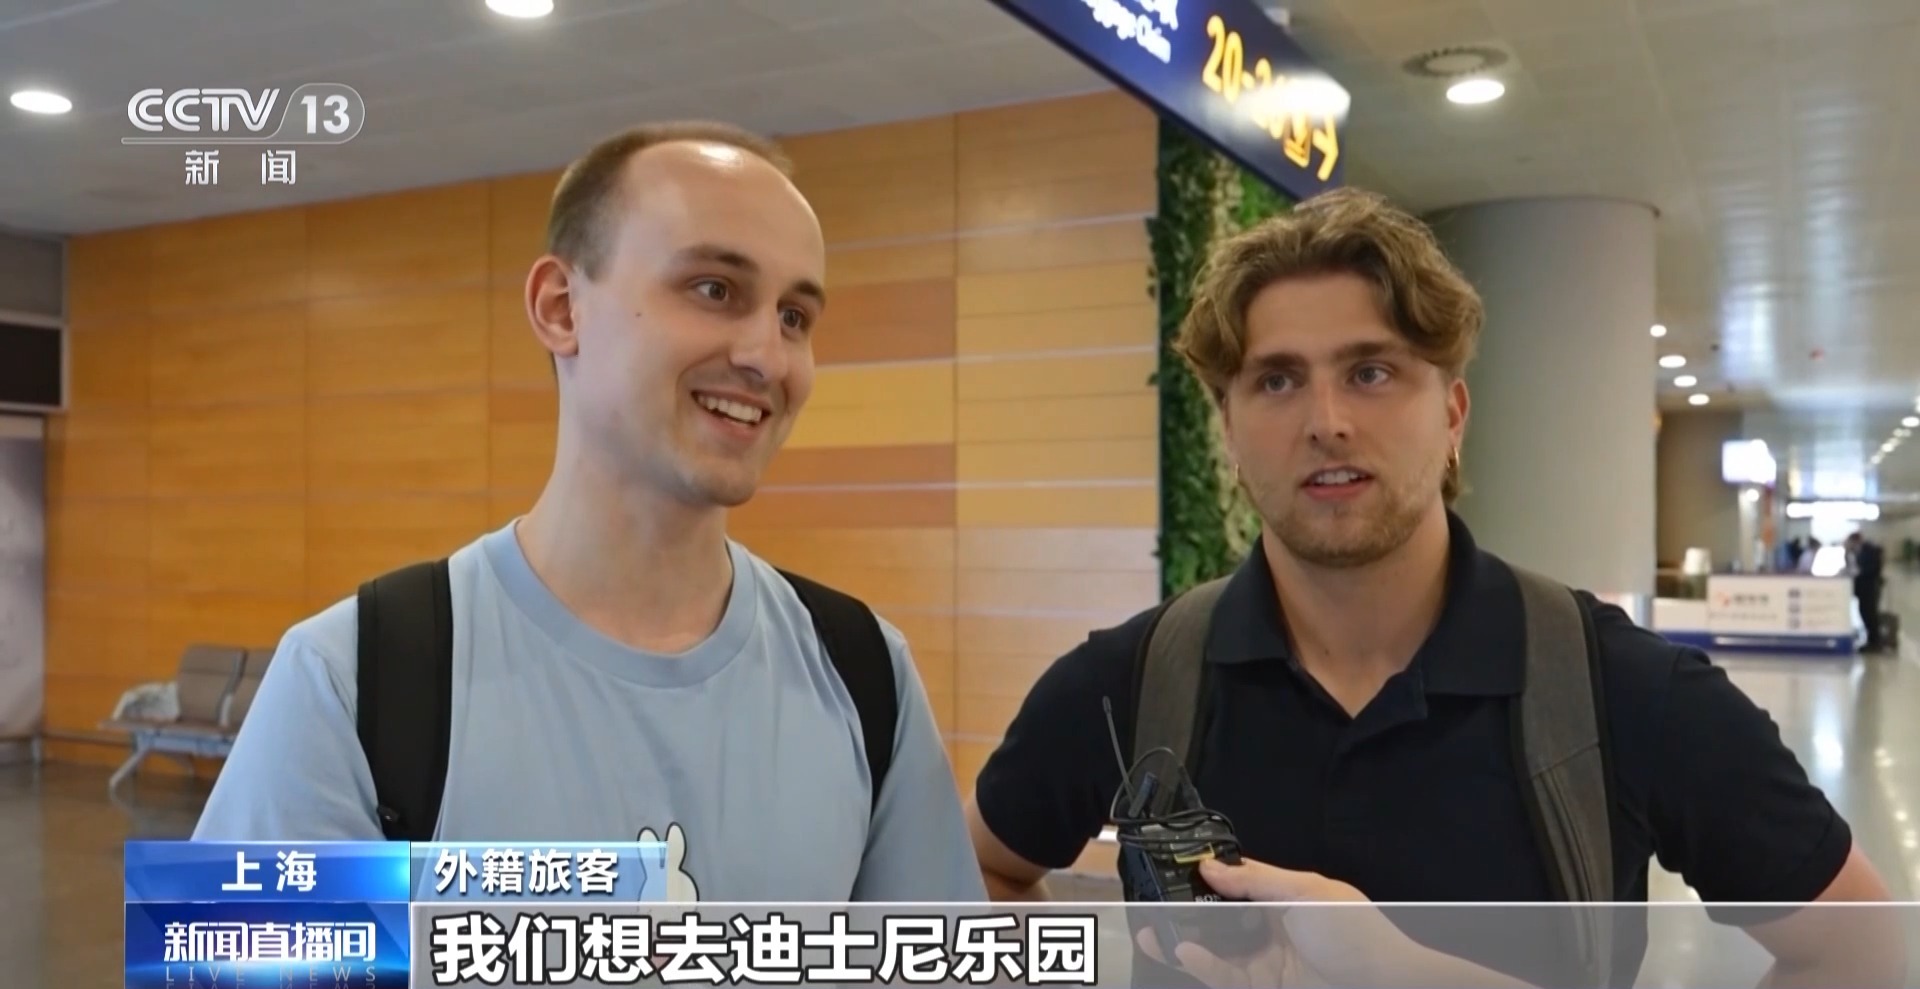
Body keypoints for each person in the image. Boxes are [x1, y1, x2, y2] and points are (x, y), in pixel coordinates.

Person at [964, 188, 1902, 986]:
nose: (1327, 421)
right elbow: (974, 876)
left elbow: (1865, 953)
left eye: (1371, 371)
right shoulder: (1128, 682)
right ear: (1231, 432)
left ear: (1452, 415)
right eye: (1277, 381)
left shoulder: (1618, 691)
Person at [195, 121, 986, 903]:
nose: (767, 357)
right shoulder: (350, 681)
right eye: (715, 289)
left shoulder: (865, 676)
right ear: (561, 307)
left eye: (794, 317)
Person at [1846, 532, 1886, 652]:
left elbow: (1873, 568)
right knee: (1864, 612)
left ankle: (1875, 642)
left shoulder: (1870, 550)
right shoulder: (1856, 551)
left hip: (1870, 587)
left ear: (1856, 541)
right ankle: (1871, 639)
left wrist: (1860, 572)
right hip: (1862, 588)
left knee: (1870, 613)